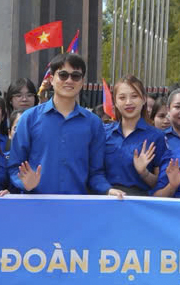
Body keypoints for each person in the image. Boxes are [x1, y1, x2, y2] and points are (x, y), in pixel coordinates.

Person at [10, 54, 121, 197]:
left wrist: (108, 190)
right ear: (51, 79)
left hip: (76, 204)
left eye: (75, 76)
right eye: (63, 75)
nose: (69, 80)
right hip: (35, 203)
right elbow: (14, 167)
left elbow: (96, 173)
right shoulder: (29, 119)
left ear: (82, 82)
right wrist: (24, 183)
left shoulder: (93, 123)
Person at [103, 79, 168, 195]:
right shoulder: (104, 133)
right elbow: (94, 173)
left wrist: (144, 172)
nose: (128, 102)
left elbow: (159, 185)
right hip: (107, 198)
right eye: (122, 98)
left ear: (143, 99)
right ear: (115, 103)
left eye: (134, 96)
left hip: (138, 200)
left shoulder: (156, 136)